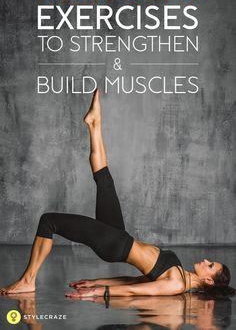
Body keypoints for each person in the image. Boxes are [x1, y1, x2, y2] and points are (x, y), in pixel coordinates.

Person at [0, 90, 234, 299]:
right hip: (120, 237)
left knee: (48, 221)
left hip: (113, 244)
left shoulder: (175, 284)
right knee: (104, 179)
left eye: (210, 265)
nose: (206, 261)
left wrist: (99, 292)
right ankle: (94, 124)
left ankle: (28, 280)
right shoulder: (180, 274)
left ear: (209, 280)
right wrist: (97, 281)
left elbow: (135, 291)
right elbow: (133, 281)